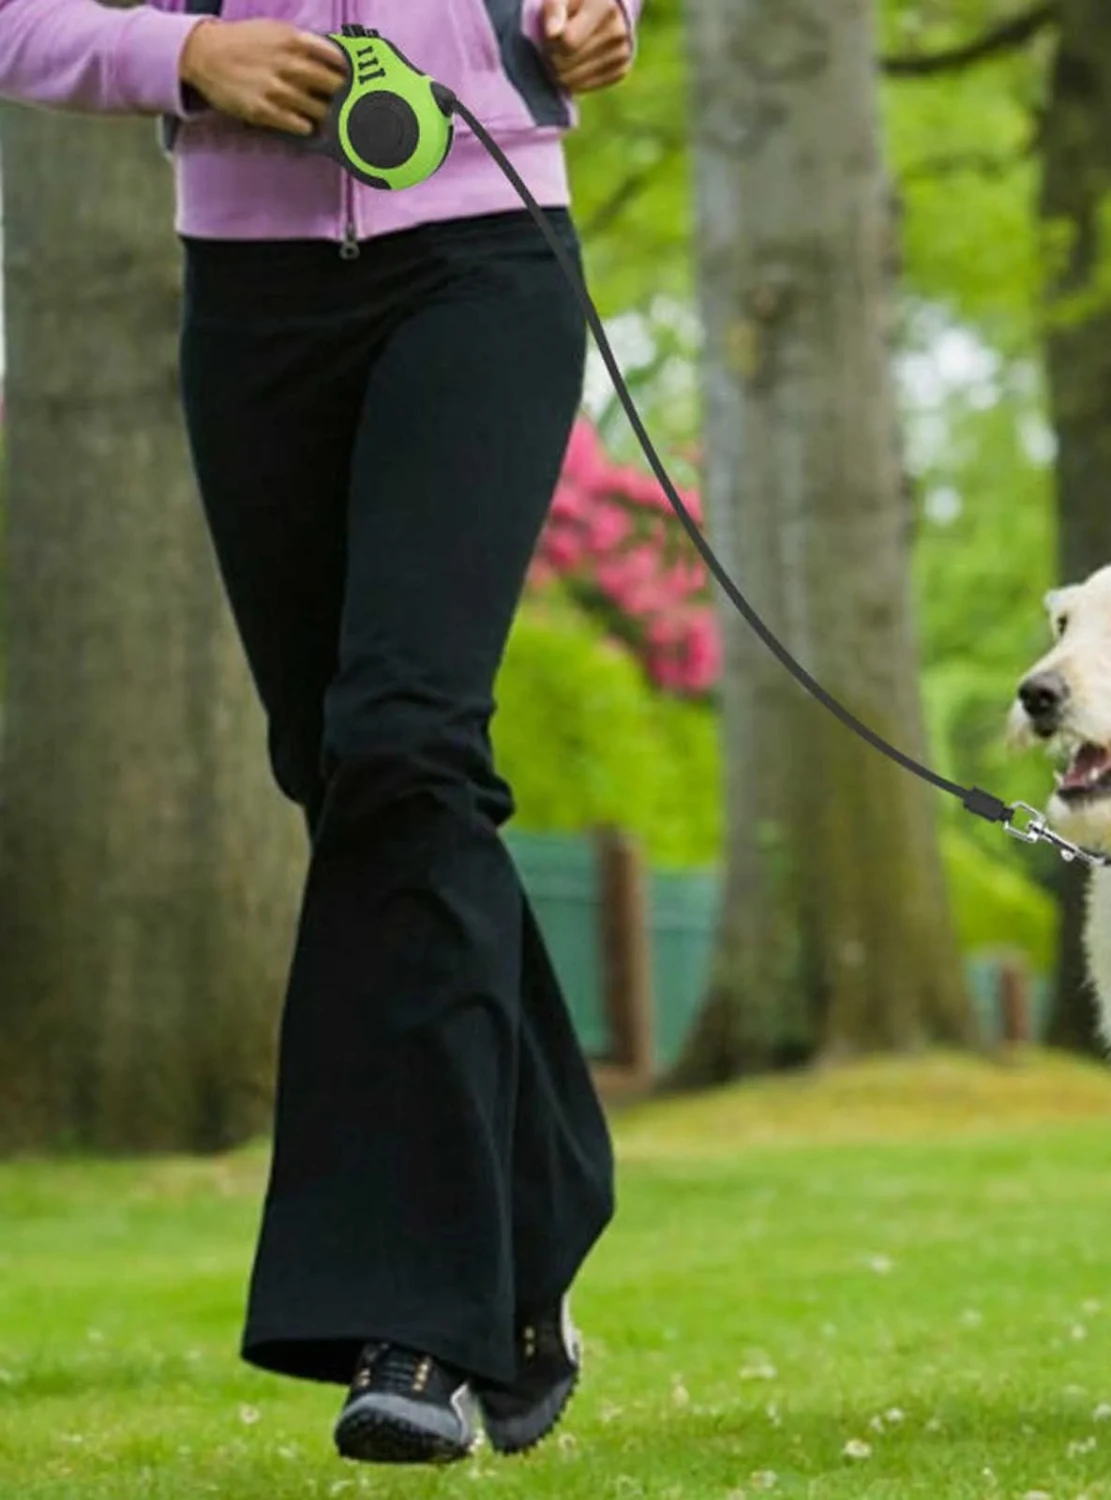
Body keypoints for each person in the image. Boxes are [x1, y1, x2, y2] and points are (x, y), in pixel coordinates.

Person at [0, 0, 639, 1468]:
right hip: (252, 296)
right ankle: (531, 1225)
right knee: (355, 777)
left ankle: (417, 1330)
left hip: (486, 256)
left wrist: (591, 17)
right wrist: (179, 57)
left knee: (406, 739)